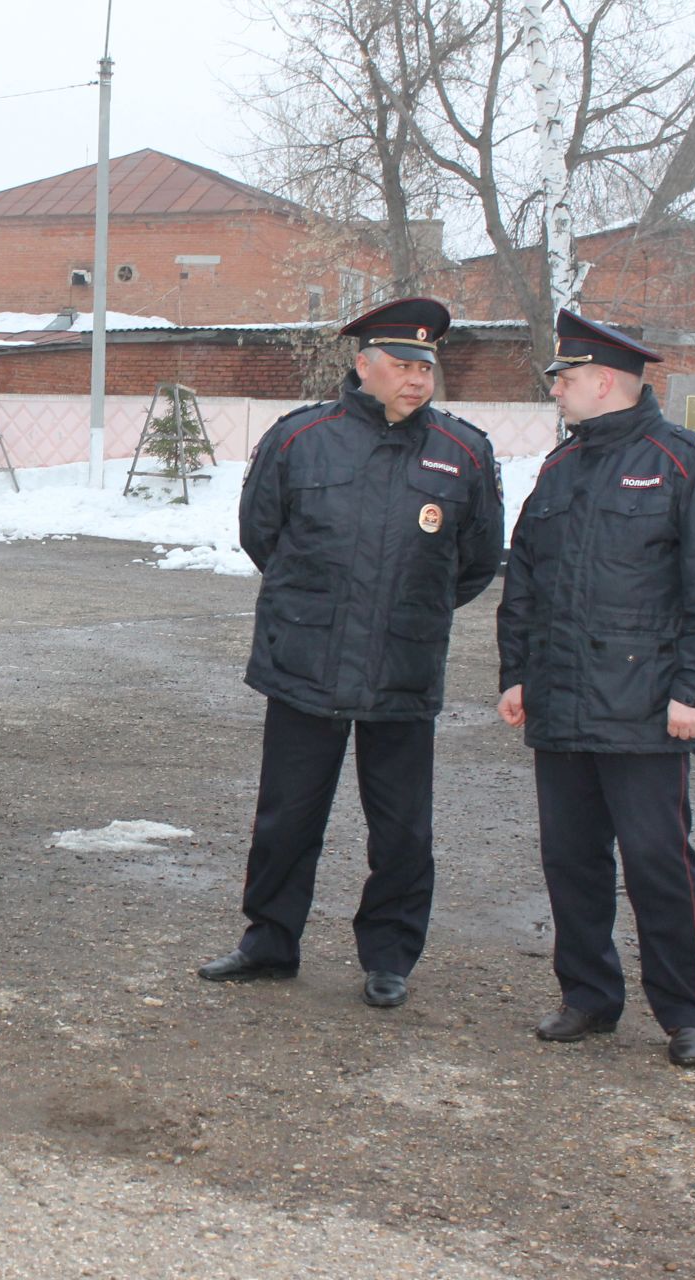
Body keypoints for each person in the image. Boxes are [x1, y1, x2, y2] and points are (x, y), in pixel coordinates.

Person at [198, 298, 502, 1009]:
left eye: (426, 367)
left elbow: (478, 560)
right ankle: (269, 940)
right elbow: (261, 535)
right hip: (306, 660)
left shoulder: (462, 453)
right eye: (401, 365)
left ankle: (389, 954)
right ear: (363, 365)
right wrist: (318, 606)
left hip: (404, 666)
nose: (418, 379)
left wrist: (411, 610)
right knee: (287, 815)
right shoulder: (302, 439)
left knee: (401, 826)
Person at [496, 309, 695, 1069]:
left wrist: (694, 690)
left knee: (658, 862)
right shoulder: (559, 468)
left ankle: (685, 1014)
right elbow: (526, 584)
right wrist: (516, 673)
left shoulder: (689, 464)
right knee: (571, 862)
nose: (558, 391)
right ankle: (588, 998)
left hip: (646, 709)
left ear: (603, 380)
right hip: (563, 700)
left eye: (565, 379)